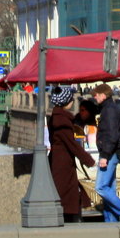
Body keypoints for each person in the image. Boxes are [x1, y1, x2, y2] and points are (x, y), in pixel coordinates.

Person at [46, 86, 95, 223]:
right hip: (63, 163)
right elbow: (71, 144)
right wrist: (89, 160)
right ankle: (68, 220)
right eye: (71, 99)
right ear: (66, 102)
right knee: (66, 193)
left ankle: (69, 216)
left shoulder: (56, 118)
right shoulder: (62, 120)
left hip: (59, 160)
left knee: (66, 192)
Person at [91, 83, 120, 222]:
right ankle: (111, 222)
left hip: (109, 154)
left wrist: (104, 155)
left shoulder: (109, 110)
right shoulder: (110, 108)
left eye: (96, 95)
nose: (95, 97)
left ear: (103, 95)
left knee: (101, 187)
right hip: (112, 153)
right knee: (109, 188)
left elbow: (111, 135)